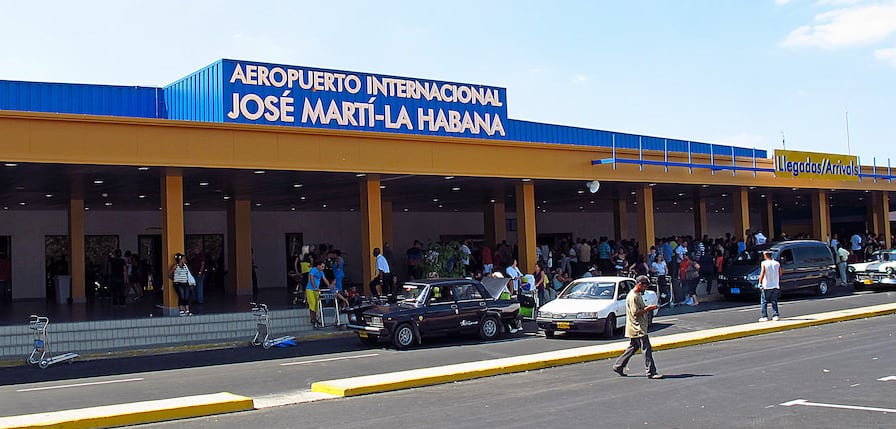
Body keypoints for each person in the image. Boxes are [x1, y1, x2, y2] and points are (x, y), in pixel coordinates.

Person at [612, 275, 662, 379]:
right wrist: (648, 308)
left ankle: (619, 365)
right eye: (644, 287)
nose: (645, 289)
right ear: (639, 285)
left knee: (633, 348)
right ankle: (651, 372)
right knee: (646, 349)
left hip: (636, 327)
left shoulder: (638, 294)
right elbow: (636, 313)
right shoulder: (633, 296)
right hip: (637, 327)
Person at [757, 250, 782, 321]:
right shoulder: (777, 263)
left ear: (766, 255)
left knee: (764, 301)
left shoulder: (764, 263)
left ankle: (764, 316)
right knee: (774, 300)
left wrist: (760, 283)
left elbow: (762, 273)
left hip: (767, 285)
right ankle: (775, 315)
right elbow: (780, 272)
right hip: (775, 284)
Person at [306, 260, 331, 328]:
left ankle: (315, 319)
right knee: (312, 304)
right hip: (310, 290)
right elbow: (311, 279)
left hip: (316, 291)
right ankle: (313, 319)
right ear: (318, 266)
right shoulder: (313, 270)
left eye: (323, 267)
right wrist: (315, 287)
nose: (323, 268)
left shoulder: (321, 272)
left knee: (316, 306)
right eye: (322, 266)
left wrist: (330, 286)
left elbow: (324, 279)